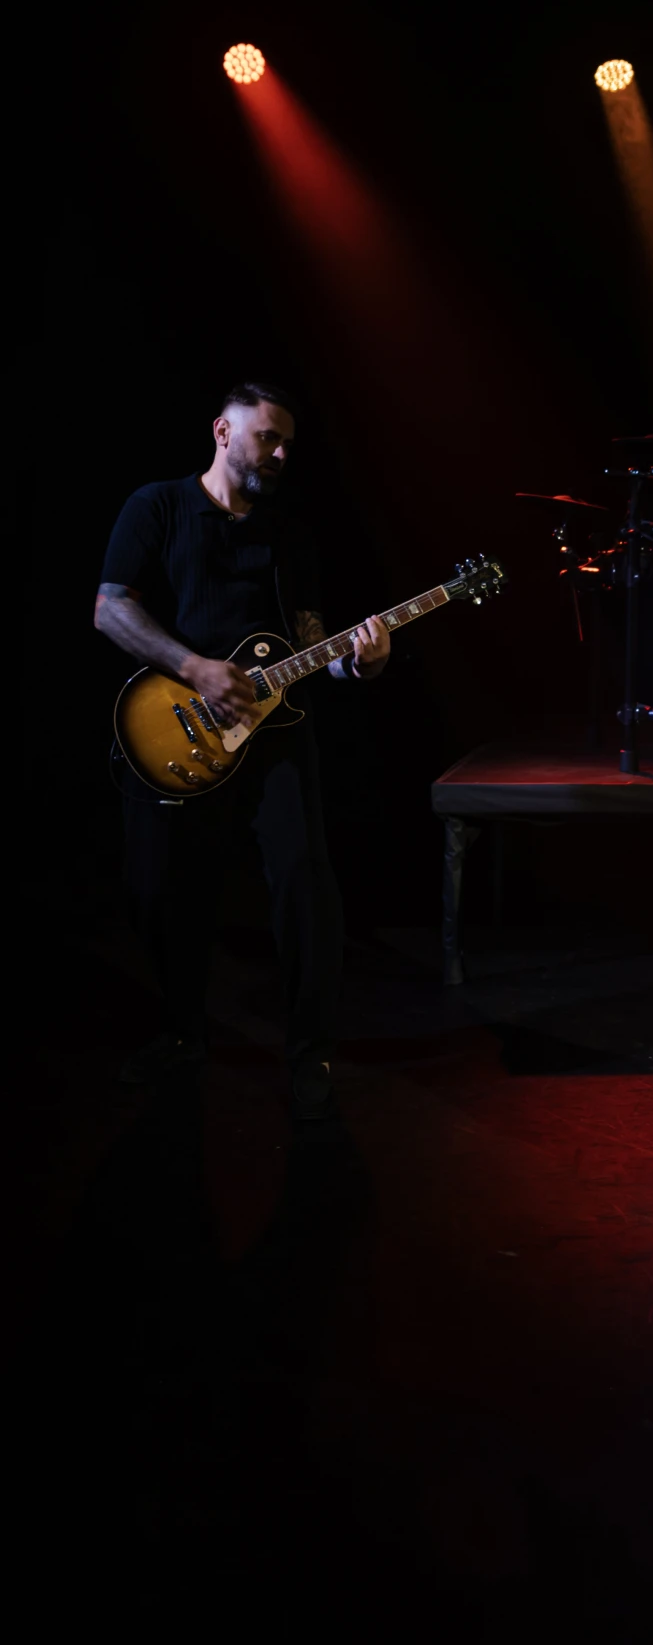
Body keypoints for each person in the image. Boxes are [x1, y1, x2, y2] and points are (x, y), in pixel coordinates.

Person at [95, 381, 390, 1122]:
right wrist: (193, 667)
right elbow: (110, 608)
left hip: (276, 736)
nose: (282, 453)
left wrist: (359, 663)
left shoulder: (289, 533)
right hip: (177, 725)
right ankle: (181, 1034)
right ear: (223, 432)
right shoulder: (157, 506)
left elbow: (314, 641)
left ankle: (310, 1052)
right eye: (269, 437)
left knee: (306, 885)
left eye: (289, 442)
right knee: (161, 891)